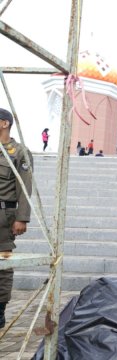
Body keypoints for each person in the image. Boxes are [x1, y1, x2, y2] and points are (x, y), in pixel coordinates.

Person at [0, 108, 33, 328]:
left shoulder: (18, 151)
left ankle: (0, 309)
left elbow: (25, 186)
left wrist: (22, 217)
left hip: (4, 214)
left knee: (2, 263)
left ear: (4, 123)